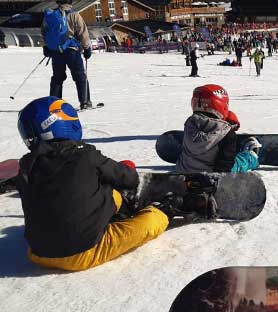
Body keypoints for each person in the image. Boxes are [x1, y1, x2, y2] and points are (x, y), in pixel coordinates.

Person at [16, 96, 169, 271]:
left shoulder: (25, 166)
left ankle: (114, 208)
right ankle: (165, 210)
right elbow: (128, 179)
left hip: (37, 253)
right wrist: (126, 169)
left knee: (107, 194)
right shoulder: (85, 155)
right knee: (153, 221)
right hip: (81, 253)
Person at [176, 84, 260, 174]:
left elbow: (208, 122)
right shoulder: (227, 133)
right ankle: (251, 157)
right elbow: (225, 168)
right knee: (239, 163)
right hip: (211, 177)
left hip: (184, 172)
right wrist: (228, 128)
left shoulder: (189, 124)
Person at [41, 0, 93, 110]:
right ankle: (85, 102)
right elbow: (82, 32)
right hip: (72, 50)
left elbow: (44, 32)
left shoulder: (51, 15)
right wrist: (87, 48)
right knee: (80, 76)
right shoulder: (74, 14)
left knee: (57, 78)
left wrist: (46, 47)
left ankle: (54, 105)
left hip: (56, 52)